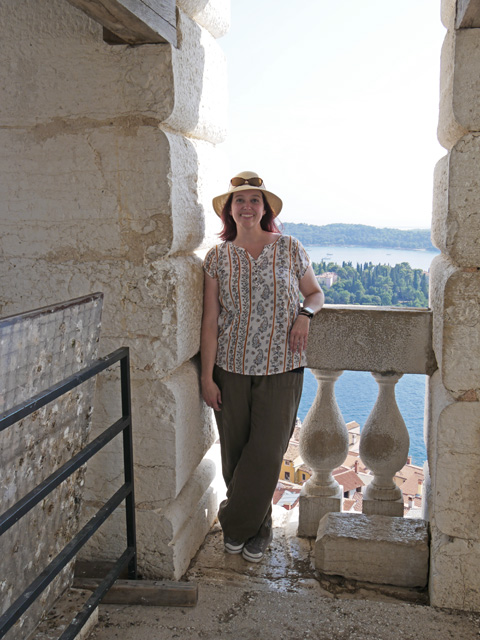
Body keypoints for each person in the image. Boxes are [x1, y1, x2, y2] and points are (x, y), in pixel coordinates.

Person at [201, 171, 324, 563]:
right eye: (240, 201)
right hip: (230, 367)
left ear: (265, 209)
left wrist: (305, 314)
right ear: (229, 211)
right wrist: (206, 376)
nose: (248, 207)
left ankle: (233, 521)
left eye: (255, 200)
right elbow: (209, 319)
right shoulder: (217, 258)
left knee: (268, 454)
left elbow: (315, 293)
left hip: (283, 368)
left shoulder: (289, 247)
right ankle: (260, 527)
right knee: (236, 455)